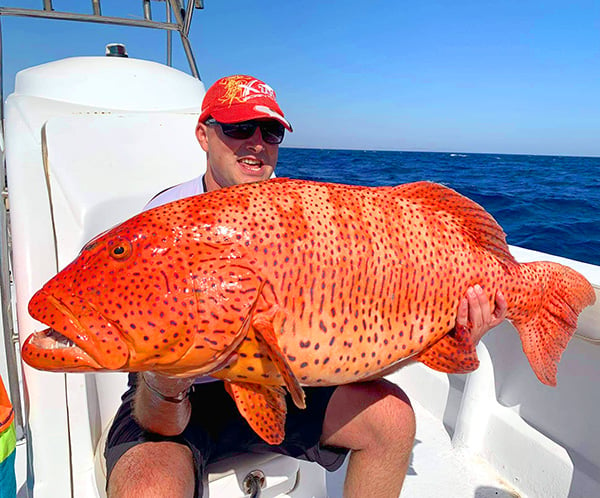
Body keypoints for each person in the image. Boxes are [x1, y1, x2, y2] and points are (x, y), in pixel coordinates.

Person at [105, 74, 508, 498]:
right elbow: (159, 419)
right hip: (177, 394)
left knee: (392, 420)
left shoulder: (302, 217)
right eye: (239, 128)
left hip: (278, 382)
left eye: (271, 131)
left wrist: (450, 336)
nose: (256, 143)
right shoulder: (165, 219)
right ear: (203, 135)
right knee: (147, 485)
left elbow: (351, 348)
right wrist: (169, 380)